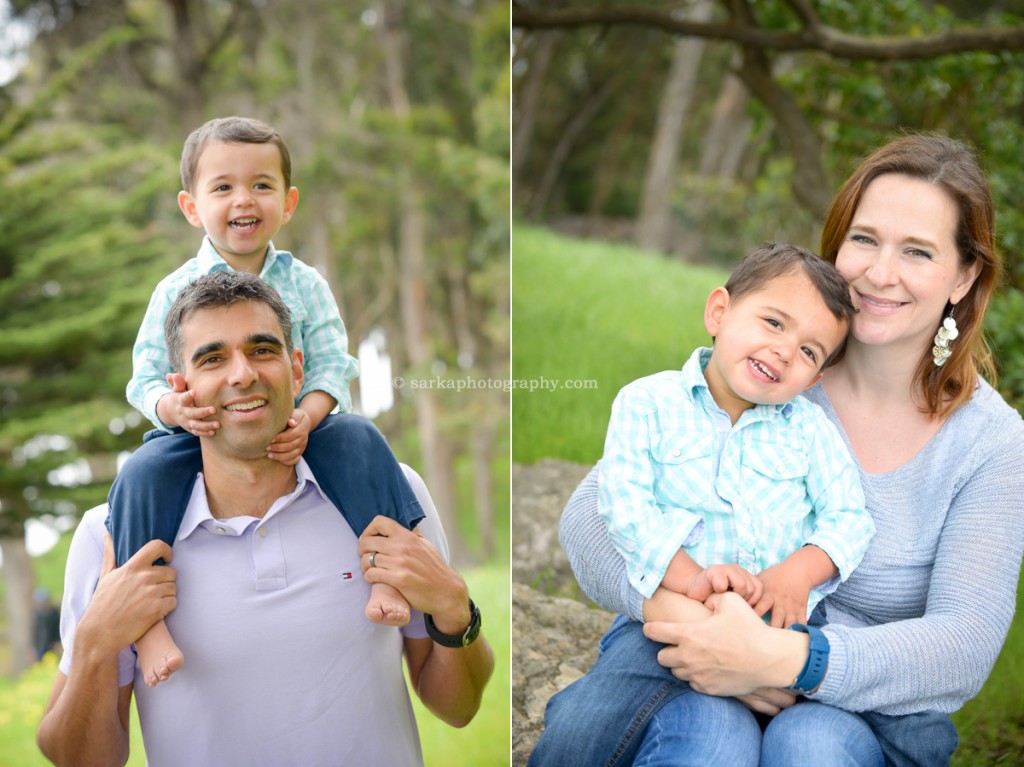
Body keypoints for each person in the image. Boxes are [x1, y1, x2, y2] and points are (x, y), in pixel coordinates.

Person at [530, 134, 1024, 767]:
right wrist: (703, 627)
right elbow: (593, 514)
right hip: (698, 658)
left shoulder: (991, 445)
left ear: (963, 275)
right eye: (865, 239)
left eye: (918, 252)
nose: (879, 272)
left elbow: (963, 643)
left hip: (864, 714)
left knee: (809, 748)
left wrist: (787, 661)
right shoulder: (773, 370)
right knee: (706, 739)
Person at [36, 271, 494, 767]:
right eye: (212, 358)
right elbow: (78, 760)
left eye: (262, 350)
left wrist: (454, 607)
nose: (242, 375)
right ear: (179, 388)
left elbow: (459, 707)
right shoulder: (112, 535)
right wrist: (94, 643)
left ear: (297, 370)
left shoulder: (383, 497)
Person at [109, 116, 421, 688]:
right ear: (191, 206)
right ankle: (148, 624)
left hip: (299, 422)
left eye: (261, 185)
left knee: (361, 442)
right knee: (143, 473)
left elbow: (330, 363)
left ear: (288, 200)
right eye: (222, 187)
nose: (243, 200)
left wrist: (310, 414)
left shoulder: (306, 283)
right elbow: (143, 378)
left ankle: (386, 572)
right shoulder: (172, 291)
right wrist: (172, 411)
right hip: (201, 432)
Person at [598, 243, 874, 635]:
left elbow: (850, 520)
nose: (784, 351)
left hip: (777, 629)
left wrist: (797, 574)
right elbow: (625, 508)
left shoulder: (809, 430)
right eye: (774, 323)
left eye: (809, 352)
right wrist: (694, 581)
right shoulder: (647, 404)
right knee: (592, 699)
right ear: (719, 313)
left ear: (813, 380)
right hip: (672, 611)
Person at [32, 588, 61, 661]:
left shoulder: (54, 613)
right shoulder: (38, 615)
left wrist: (57, 642)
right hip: (40, 646)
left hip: (52, 645)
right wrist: (34, 648)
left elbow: (58, 629)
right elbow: (36, 632)